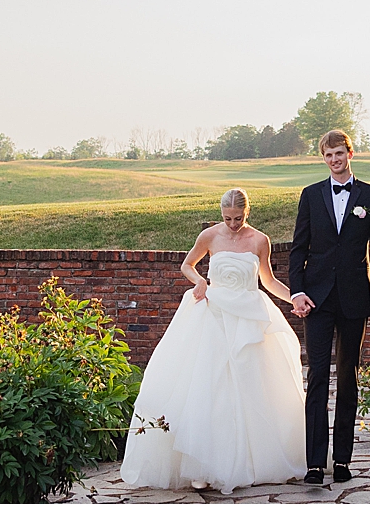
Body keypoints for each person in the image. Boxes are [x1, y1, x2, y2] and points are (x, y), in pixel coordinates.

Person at [120, 188, 308, 491]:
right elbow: (187, 265)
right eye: (227, 218)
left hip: (247, 317)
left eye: (238, 218)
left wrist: (294, 299)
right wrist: (201, 281)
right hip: (214, 315)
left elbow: (268, 281)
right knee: (210, 386)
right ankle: (203, 464)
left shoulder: (260, 240)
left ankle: (253, 460)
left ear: (247, 213)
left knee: (250, 388)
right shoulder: (209, 236)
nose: (232, 224)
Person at [289, 128, 370, 485]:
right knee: (317, 377)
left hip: (353, 298)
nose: (334, 160)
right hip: (316, 299)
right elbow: (298, 249)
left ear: (350, 153)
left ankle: (344, 459)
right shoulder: (310, 196)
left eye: (339, 153)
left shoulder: (369, 195)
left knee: (348, 377)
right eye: (328, 155)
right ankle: (315, 462)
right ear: (323, 158)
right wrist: (296, 292)